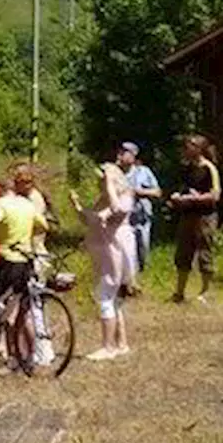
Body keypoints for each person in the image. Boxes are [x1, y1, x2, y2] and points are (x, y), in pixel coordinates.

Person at [69, 162, 135, 361]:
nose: (100, 184)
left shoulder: (124, 197)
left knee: (106, 295)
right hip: (104, 250)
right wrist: (77, 205)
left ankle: (108, 347)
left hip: (116, 249)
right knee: (113, 298)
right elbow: (91, 219)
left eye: (102, 180)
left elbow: (116, 209)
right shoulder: (103, 199)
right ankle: (121, 343)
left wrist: (109, 185)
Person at [0, 167, 49, 367]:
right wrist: (29, 234)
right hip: (26, 260)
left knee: (7, 312)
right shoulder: (27, 204)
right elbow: (44, 225)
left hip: (8, 259)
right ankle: (31, 356)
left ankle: (12, 358)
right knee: (25, 311)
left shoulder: (1, 204)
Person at [170, 134, 221, 305]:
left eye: (188, 147)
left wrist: (195, 199)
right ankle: (179, 292)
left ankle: (204, 292)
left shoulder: (209, 168)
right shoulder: (186, 168)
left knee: (205, 252)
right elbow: (182, 188)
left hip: (205, 217)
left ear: (198, 149)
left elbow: (215, 195)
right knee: (183, 253)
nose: (185, 150)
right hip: (187, 216)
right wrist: (178, 196)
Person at [118, 141, 161, 283]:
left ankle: (140, 276)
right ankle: (127, 279)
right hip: (122, 219)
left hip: (141, 217)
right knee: (124, 250)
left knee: (143, 247)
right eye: (121, 151)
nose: (121, 155)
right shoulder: (115, 173)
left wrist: (140, 192)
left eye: (125, 152)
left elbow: (157, 192)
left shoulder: (144, 172)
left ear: (133, 155)